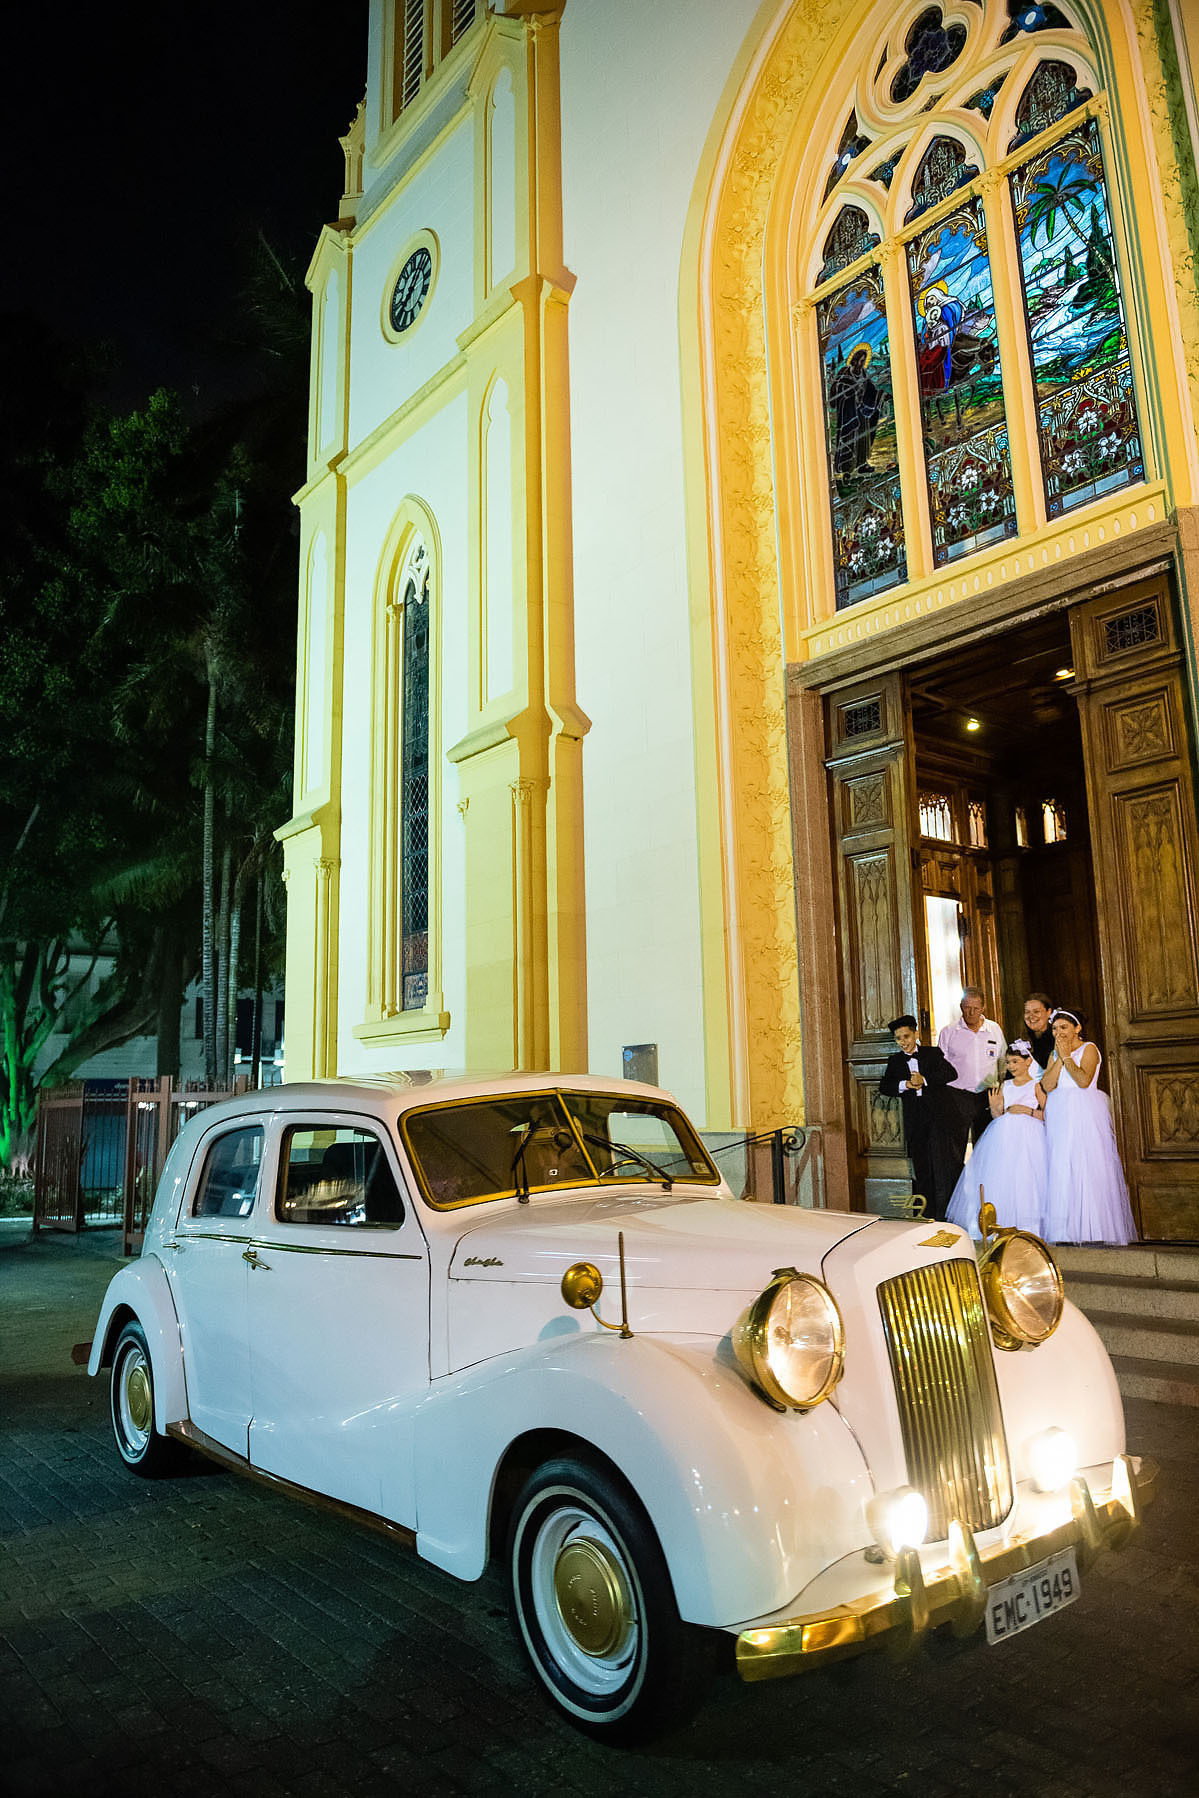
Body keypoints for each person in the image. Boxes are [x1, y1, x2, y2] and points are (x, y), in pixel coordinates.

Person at [1040, 1008, 1136, 1244]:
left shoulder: (1089, 1048)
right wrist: (1059, 1059)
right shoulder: (1055, 1054)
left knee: (1086, 1165)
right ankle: (1065, 1231)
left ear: (1077, 1028)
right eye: (1054, 1028)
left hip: (1084, 1112)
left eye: (1063, 1027)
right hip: (1060, 1114)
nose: (1058, 1033)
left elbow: (1084, 1081)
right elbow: (1047, 1085)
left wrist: (1068, 1058)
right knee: (1062, 1166)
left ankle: (1094, 1229)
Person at [947, 1041, 1047, 1237]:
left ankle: (1030, 1226)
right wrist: (995, 1108)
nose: (1011, 1067)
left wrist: (1027, 1110)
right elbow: (999, 1115)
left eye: (1016, 1062)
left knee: (1027, 1178)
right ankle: (1001, 1224)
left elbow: (1047, 1115)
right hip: (1005, 1135)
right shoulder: (1005, 1085)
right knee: (1004, 1177)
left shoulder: (1036, 1086)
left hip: (1030, 1137)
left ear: (1028, 1062)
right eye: (1008, 1062)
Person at [879, 1014, 960, 1220]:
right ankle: (925, 1214)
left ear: (915, 1034)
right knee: (922, 1167)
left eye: (906, 1036)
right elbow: (885, 1087)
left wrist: (924, 1079)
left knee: (942, 1166)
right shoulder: (895, 1061)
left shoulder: (932, 1054)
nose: (903, 1042)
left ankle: (946, 1214)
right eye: (898, 1039)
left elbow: (951, 1074)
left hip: (938, 1118)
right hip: (915, 1120)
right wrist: (905, 1084)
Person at [937, 987, 1006, 1192]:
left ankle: (987, 1192)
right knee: (955, 1151)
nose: (971, 1013)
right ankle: (957, 1195)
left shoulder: (994, 1029)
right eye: (967, 1008)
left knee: (986, 1147)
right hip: (958, 1096)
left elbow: (1002, 1060)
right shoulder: (949, 1032)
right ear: (961, 1007)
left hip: (987, 1096)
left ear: (983, 1007)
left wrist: (1001, 1087)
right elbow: (940, 1068)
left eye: (976, 1008)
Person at [1022, 992, 1055, 1074]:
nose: (1031, 1016)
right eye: (1027, 1012)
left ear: (1049, 1012)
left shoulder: (1057, 1038)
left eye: (1036, 1012)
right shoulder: (1021, 1041)